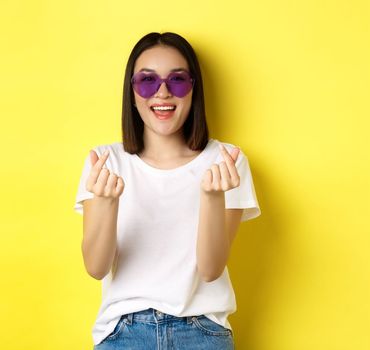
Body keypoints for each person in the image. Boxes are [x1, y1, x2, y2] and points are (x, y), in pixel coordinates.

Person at [74, 32, 261, 349]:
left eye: (177, 80)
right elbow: (96, 267)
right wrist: (106, 202)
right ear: (132, 92)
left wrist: (212, 197)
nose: (162, 92)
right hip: (123, 332)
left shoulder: (225, 161)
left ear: (193, 90)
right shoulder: (106, 161)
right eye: (147, 81)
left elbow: (210, 269)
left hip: (202, 332)